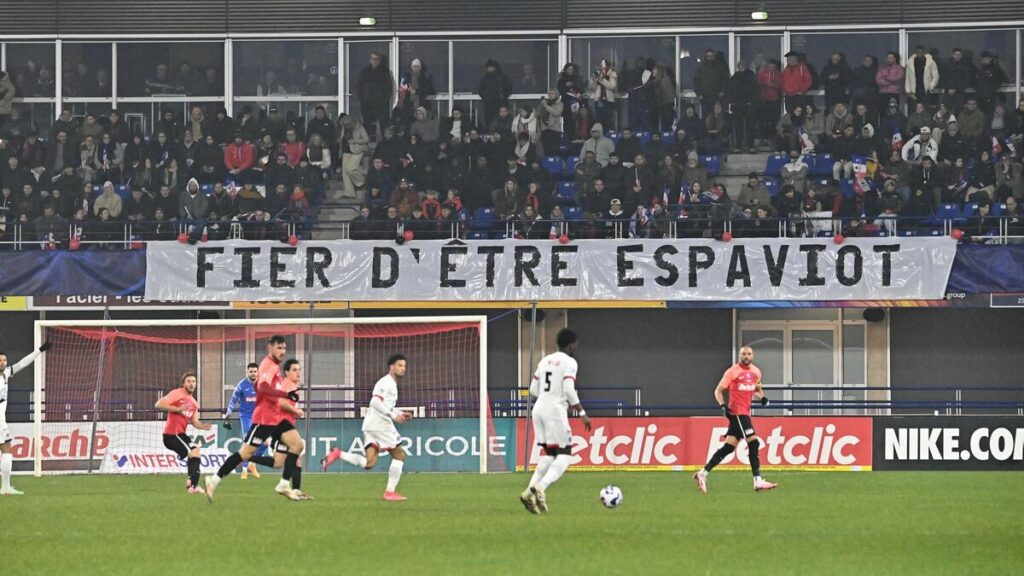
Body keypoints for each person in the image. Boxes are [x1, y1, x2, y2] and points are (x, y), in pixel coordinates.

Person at [205, 335, 303, 502]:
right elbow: (263, 387)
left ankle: (284, 484)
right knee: (245, 453)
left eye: (284, 348)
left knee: (297, 445)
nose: (282, 351)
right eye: (279, 348)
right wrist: (286, 394)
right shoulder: (267, 365)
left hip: (276, 419)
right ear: (270, 348)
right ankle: (213, 480)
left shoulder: (275, 368)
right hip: (264, 419)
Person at [320, 354, 413, 502]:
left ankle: (338, 453)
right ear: (391, 366)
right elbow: (375, 402)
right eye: (399, 365)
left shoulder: (391, 384)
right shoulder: (386, 383)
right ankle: (390, 492)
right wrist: (393, 416)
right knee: (399, 455)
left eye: (404, 366)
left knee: (369, 463)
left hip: (370, 425)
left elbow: (385, 406)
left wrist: (399, 413)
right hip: (380, 425)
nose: (403, 369)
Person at [519, 328, 591, 514]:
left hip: (539, 409)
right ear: (571, 344)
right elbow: (568, 387)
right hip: (554, 411)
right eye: (576, 344)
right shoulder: (570, 362)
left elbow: (533, 389)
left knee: (550, 455)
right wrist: (581, 412)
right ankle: (540, 487)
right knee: (565, 456)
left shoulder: (545, 360)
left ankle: (529, 491)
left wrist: (549, 396)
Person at [694, 346, 777, 494]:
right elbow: (718, 390)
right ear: (740, 355)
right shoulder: (732, 371)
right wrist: (723, 405)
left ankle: (702, 473)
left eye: (749, 354)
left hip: (745, 412)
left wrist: (762, 397)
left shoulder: (756, 372)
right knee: (754, 442)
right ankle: (758, 480)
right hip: (736, 412)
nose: (746, 356)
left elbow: (756, 389)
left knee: (728, 448)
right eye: (744, 354)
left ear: (753, 356)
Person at [0, 341, 50, 495]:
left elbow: (22, 364)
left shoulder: (6, 373)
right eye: (0, 360)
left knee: (6, 448)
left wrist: (39, 351)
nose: (2, 363)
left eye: (4, 360)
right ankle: (6, 487)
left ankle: (6, 487)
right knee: (7, 449)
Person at [154, 372, 214, 495]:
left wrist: (203, 426)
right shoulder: (177, 393)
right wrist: (177, 408)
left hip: (180, 434)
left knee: (195, 451)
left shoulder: (194, 403)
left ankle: (191, 481)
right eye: (189, 381)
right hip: (171, 435)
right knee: (194, 452)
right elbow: (158, 404)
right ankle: (193, 485)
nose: (192, 384)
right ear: (183, 384)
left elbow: (195, 422)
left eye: (194, 381)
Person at [223, 362, 264, 480]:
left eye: (255, 371)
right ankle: (244, 469)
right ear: (247, 372)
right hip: (246, 417)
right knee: (248, 441)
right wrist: (228, 412)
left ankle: (253, 464)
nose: (253, 374)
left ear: (258, 372)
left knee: (264, 441)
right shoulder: (241, 385)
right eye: (251, 371)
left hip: (259, 417)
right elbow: (233, 400)